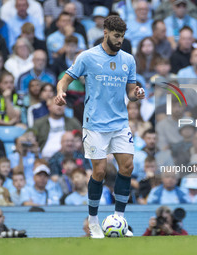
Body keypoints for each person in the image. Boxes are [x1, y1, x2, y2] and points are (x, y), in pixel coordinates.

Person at [55, 15, 144, 238]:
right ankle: (94, 221)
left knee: (127, 167)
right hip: (94, 124)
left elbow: (131, 93)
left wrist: (137, 94)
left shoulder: (128, 60)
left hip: (119, 123)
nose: (119, 40)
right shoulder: (88, 57)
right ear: (105, 33)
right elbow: (65, 78)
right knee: (100, 171)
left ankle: (119, 219)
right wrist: (60, 91)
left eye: (122, 36)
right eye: (116, 35)